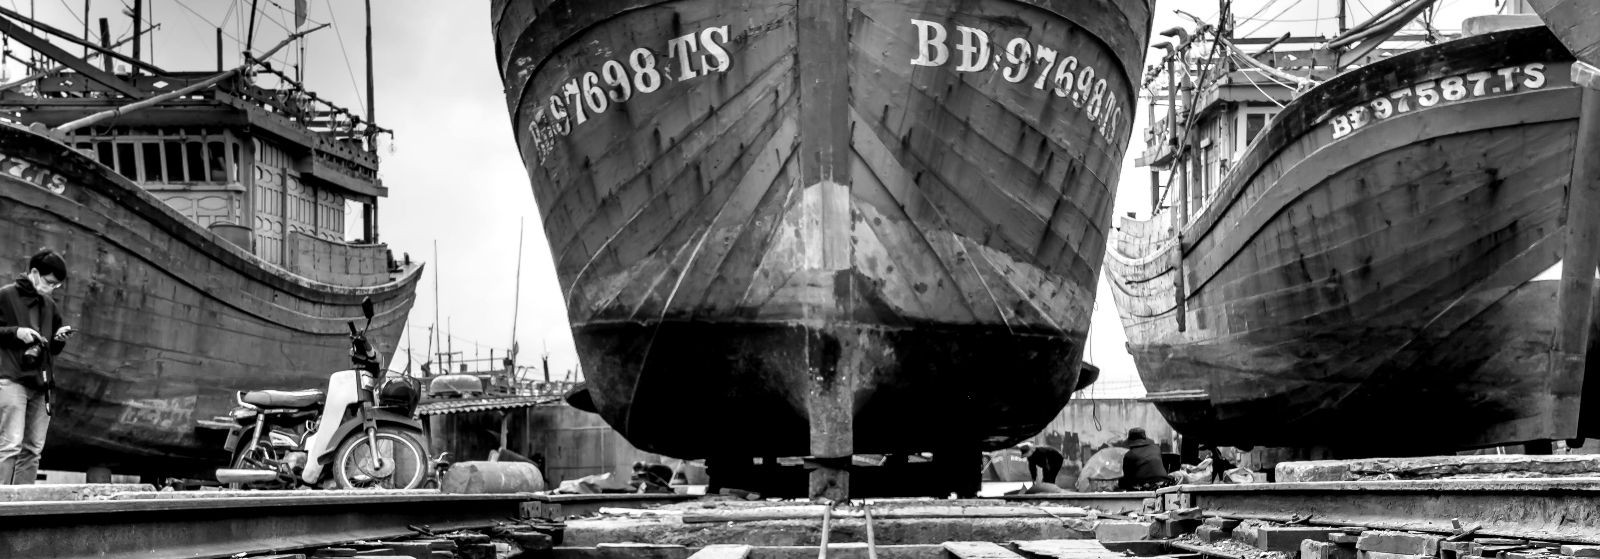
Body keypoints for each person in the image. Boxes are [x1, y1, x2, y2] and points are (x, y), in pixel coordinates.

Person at [0, 249, 74, 485]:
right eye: (49, 282)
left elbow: (52, 348)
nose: (51, 288)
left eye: (56, 285)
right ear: (33, 272)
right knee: (10, 445)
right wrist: (16, 333)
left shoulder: (50, 305)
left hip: (42, 384)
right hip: (13, 378)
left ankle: (22, 502)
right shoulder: (5, 295)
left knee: (33, 449)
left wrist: (59, 339)